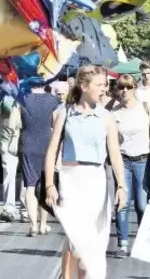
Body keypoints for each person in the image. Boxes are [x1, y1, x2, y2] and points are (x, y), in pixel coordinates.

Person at [43, 65, 127, 279]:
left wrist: (121, 186)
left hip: (96, 180)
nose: (104, 88)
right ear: (84, 86)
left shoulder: (107, 118)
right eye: (99, 85)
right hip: (70, 179)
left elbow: (115, 155)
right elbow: (52, 150)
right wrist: (49, 185)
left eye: (105, 84)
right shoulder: (65, 113)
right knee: (75, 236)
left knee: (92, 239)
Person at [110, 74, 150, 258]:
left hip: (143, 160)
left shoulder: (145, 108)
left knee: (142, 204)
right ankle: (122, 244)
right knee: (122, 203)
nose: (124, 91)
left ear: (134, 88)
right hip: (123, 160)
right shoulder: (114, 112)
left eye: (128, 87)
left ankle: (144, 241)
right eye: (121, 88)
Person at [18, 80, 60, 237]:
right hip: (47, 144)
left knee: (29, 185)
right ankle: (43, 224)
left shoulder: (22, 98)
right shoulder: (52, 100)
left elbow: (17, 122)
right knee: (45, 185)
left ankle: (33, 225)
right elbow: (56, 125)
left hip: (27, 142)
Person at [0, 91, 24, 223]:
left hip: (25, 140)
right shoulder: (2, 95)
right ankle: (9, 208)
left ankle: (25, 208)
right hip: (7, 140)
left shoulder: (28, 93)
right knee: (9, 172)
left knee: (27, 175)